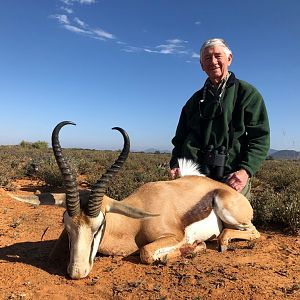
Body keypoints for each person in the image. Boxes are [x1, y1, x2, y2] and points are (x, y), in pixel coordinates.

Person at [169, 38, 270, 198]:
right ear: (202, 65)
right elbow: (180, 140)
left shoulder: (247, 94)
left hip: (232, 176)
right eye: (207, 58)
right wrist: (176, 164)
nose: (213, 61)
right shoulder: (193, 101)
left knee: (234, 220)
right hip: (193, 176)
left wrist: (245, 171)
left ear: (229, 59)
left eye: (218, 56)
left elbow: (260, 138)